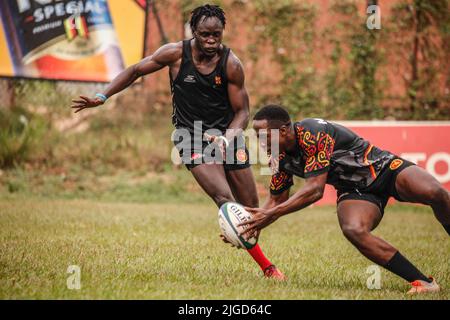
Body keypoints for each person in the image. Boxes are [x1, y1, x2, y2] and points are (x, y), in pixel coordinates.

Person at [71, 5, 284, 279]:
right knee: (225, 200)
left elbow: (242, 111)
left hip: (226, 133)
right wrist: (103, 96)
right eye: (205, 34)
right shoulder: (174, 54)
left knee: (251, 211)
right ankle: (268, 267)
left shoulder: (231, 64)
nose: (211, 40)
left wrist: (228, 137)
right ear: (193, 32)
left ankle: (238, 232)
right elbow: (136, 70)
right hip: (190, 136)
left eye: (216, 35)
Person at [239, 104, 450, 293]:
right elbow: (276, 200)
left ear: (283, 131)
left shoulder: (313, 133)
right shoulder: (278, 157)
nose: (260, 141)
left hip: (384, 170)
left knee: (436, 193)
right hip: (355, 191)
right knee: (353, 229)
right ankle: (423, 283)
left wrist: (269, 214)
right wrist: (248, 225)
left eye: (263, 135)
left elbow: (315, 190)